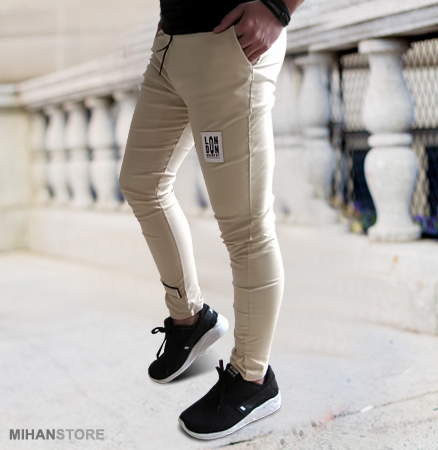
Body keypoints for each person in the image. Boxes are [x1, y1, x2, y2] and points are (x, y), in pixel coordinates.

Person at [119, 0, 305, 440]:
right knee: (142, 183)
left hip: (230, 44)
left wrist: (280, 7)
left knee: (246, 227)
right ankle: (190, 320)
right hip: (171, 45)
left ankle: (253, 379)